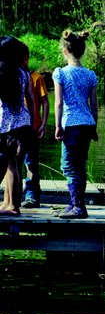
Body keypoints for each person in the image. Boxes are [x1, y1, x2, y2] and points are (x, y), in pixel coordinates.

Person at [52, 29, 98, 219]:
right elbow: (94, 104)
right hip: (87, 124)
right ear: (82, 51)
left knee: (69, 165)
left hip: (71, 124)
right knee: (80, 165)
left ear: (65, 51)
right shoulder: (90, 75)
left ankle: (77, 206)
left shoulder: (60, 73)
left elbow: (59, 103)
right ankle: (76, 205)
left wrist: (57, 126)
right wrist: (94, 126)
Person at [0, 36, 35, 215]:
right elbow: (30, 98)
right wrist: (33, 122)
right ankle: (7, 203)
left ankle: (13, 206)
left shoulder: (1, 73)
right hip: (22, 125)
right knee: (12, 164)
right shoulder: (23, 74)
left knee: (11, 165)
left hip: (6, 126)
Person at [19, 43, 49, 208]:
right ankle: (16, 196)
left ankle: (31, 195)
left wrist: (43, 124)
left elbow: (45, 102)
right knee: (15, 163)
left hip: (32, 129)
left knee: (30, 162)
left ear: (26, 59)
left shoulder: (36, 78)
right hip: (16, 129)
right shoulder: (11, 77)